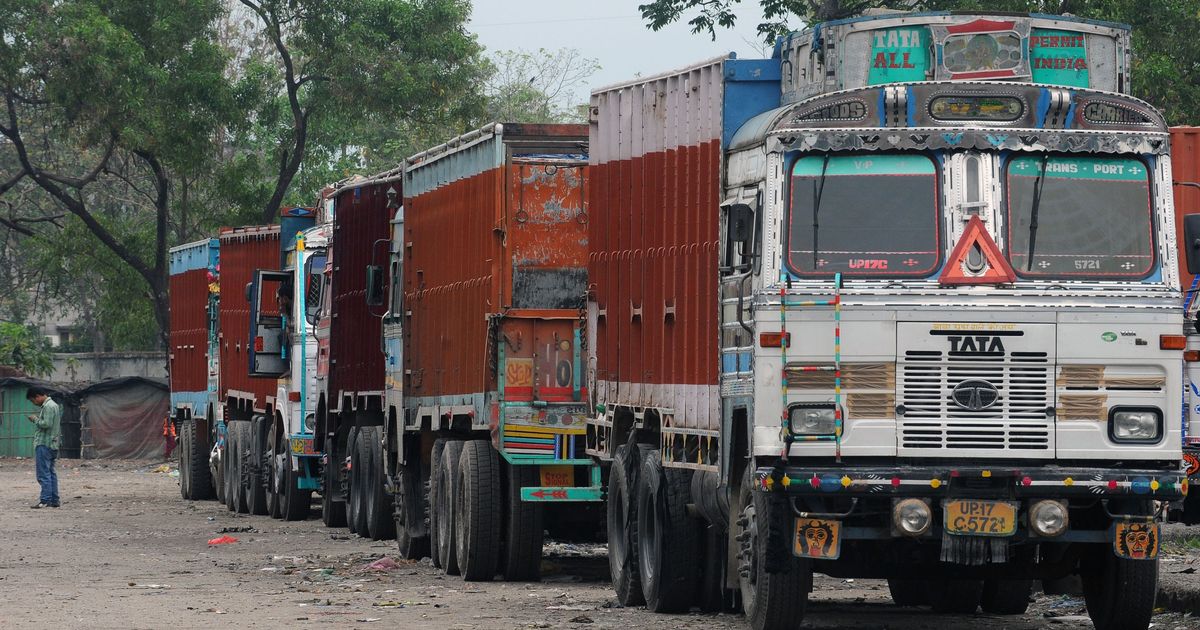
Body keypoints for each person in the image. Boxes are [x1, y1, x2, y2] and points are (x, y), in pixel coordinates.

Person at [26, 386, 62, 508]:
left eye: (33, 400)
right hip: (53, 444)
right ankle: (54, 500)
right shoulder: (54, 405)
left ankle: (45, 500)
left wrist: (35, 419)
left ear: (38, 396)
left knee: (43, 474)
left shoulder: (48, 406)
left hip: (44, 443)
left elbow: (46, 424)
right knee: (51, 472)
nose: (34, 403)